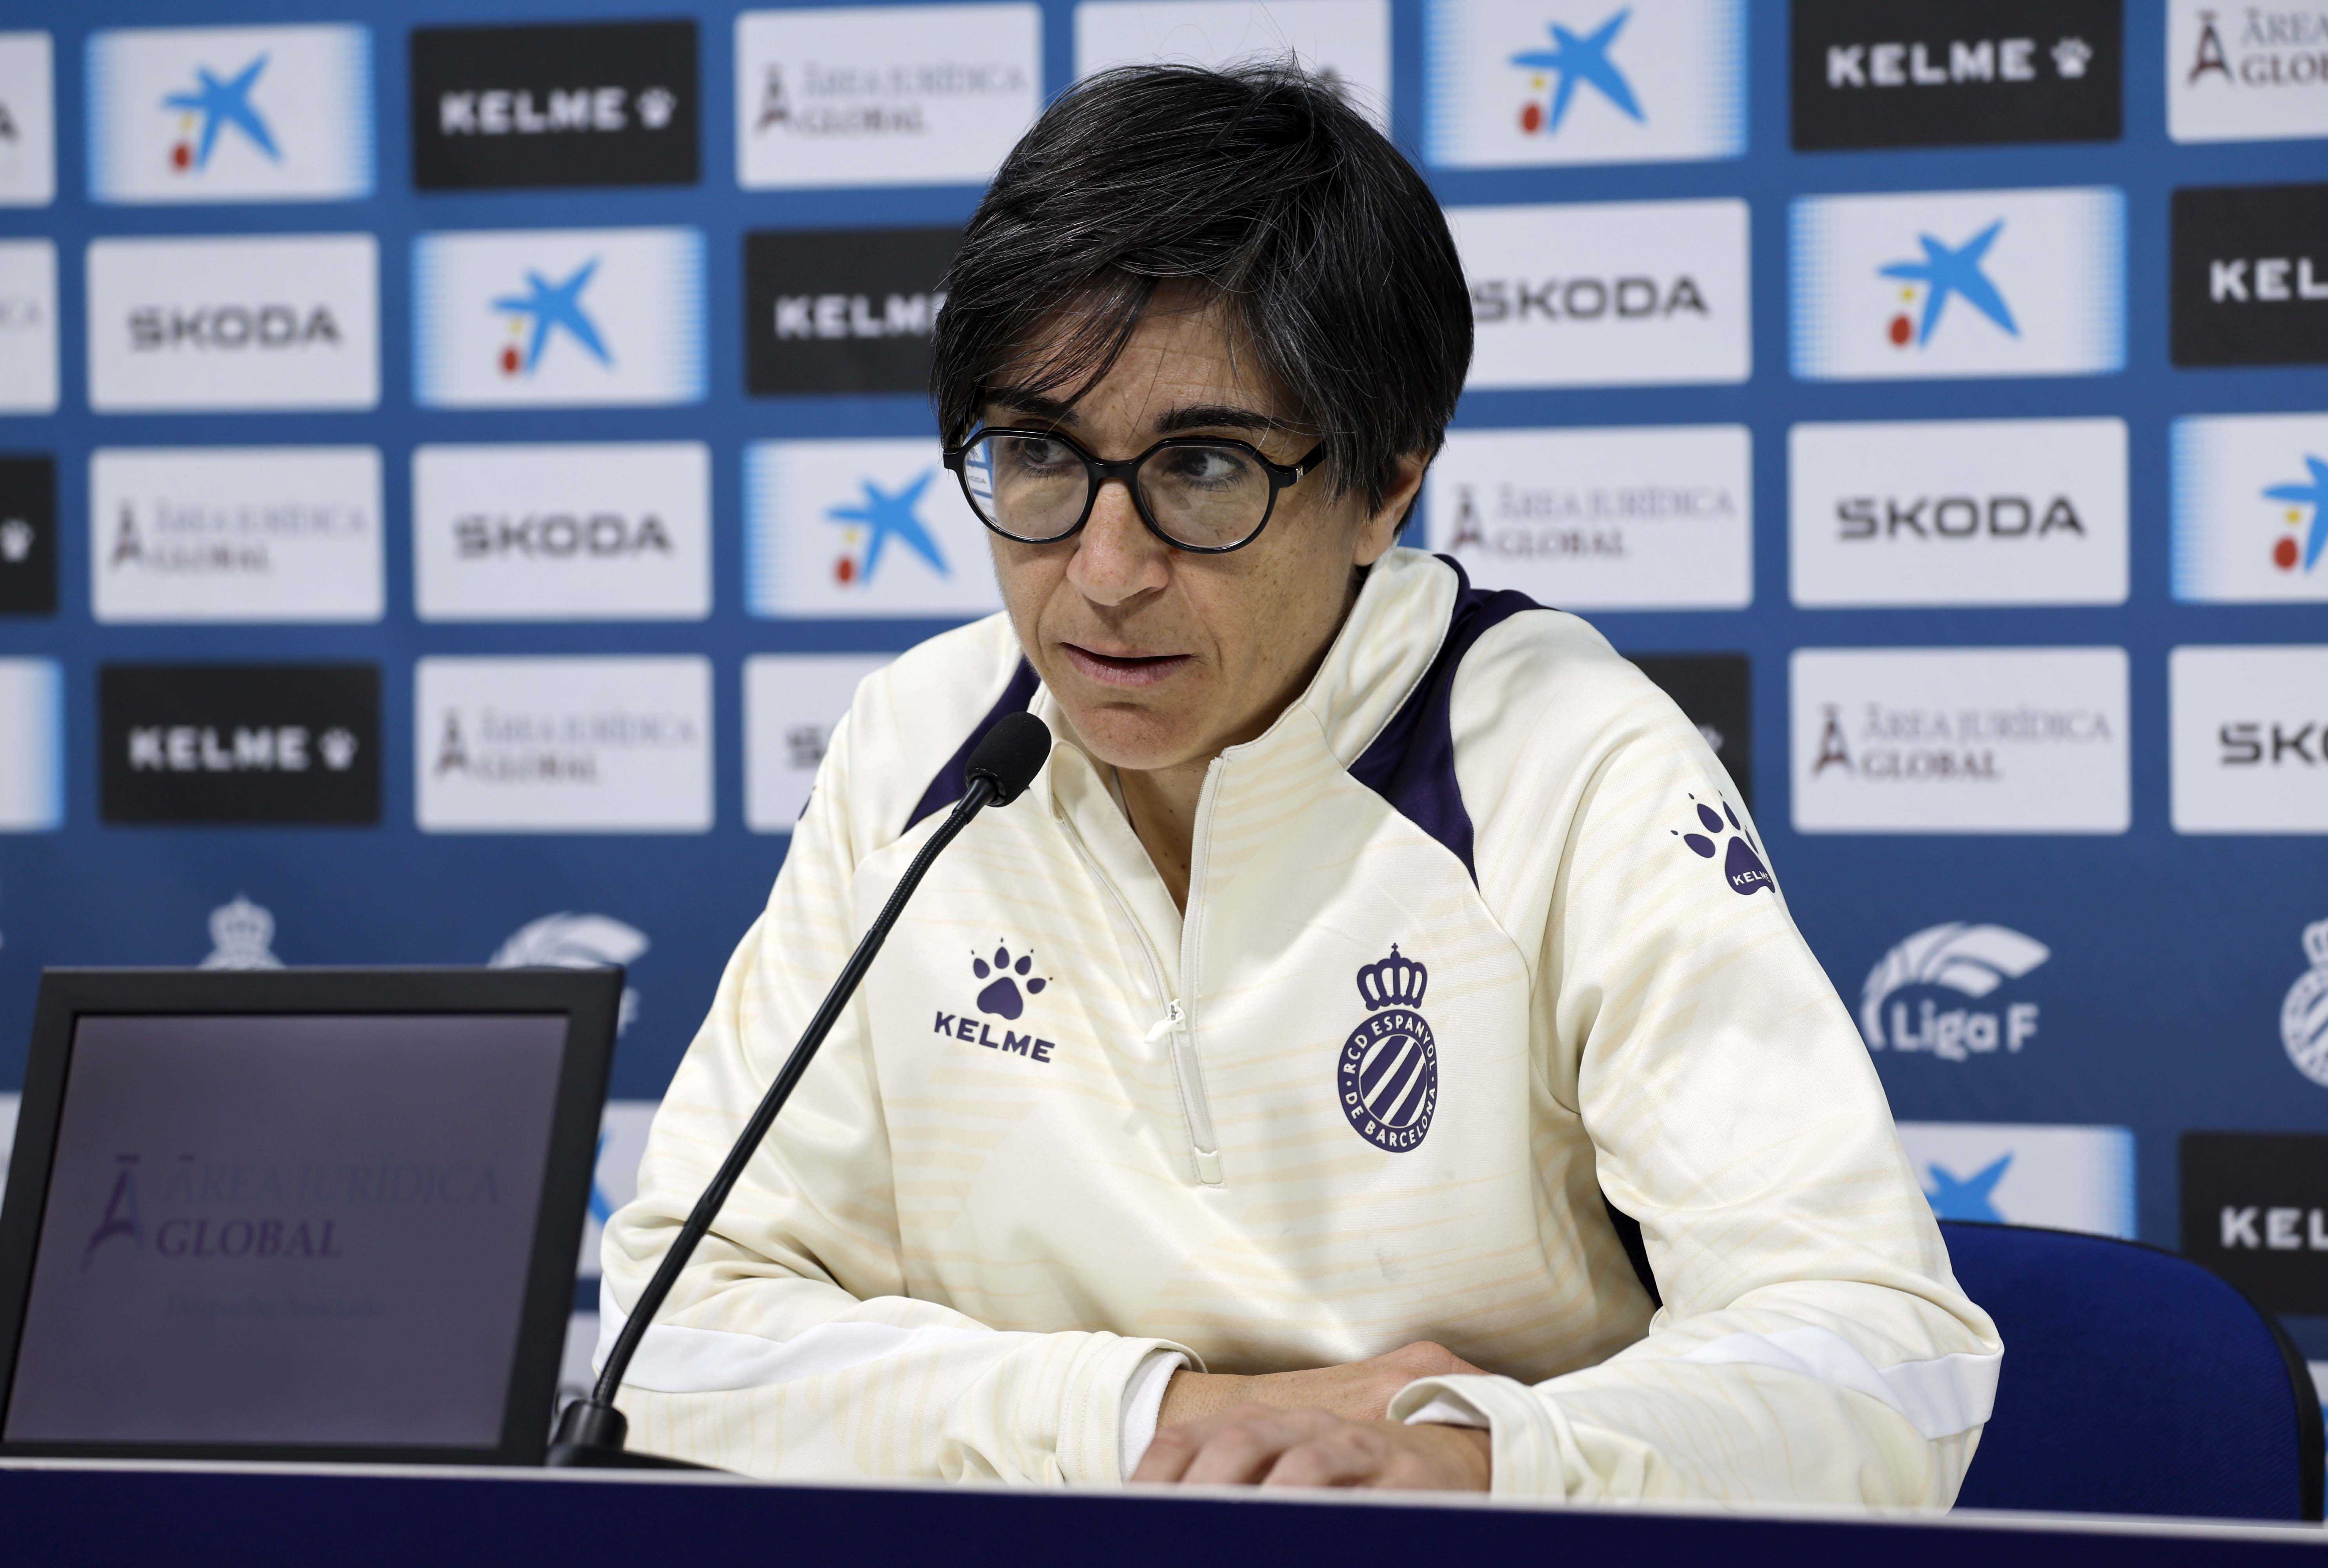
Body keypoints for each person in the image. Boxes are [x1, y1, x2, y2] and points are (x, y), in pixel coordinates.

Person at [602, 61, 1999, 1502]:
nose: (1105, 572)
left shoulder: (1564, 759)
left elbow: (1882, 1350)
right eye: (1037, 454)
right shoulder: (917, 745)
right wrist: (1170, 1418)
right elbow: (673, 1334)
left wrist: (1466, 1460)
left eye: (1204, 467)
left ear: (1387, 484)